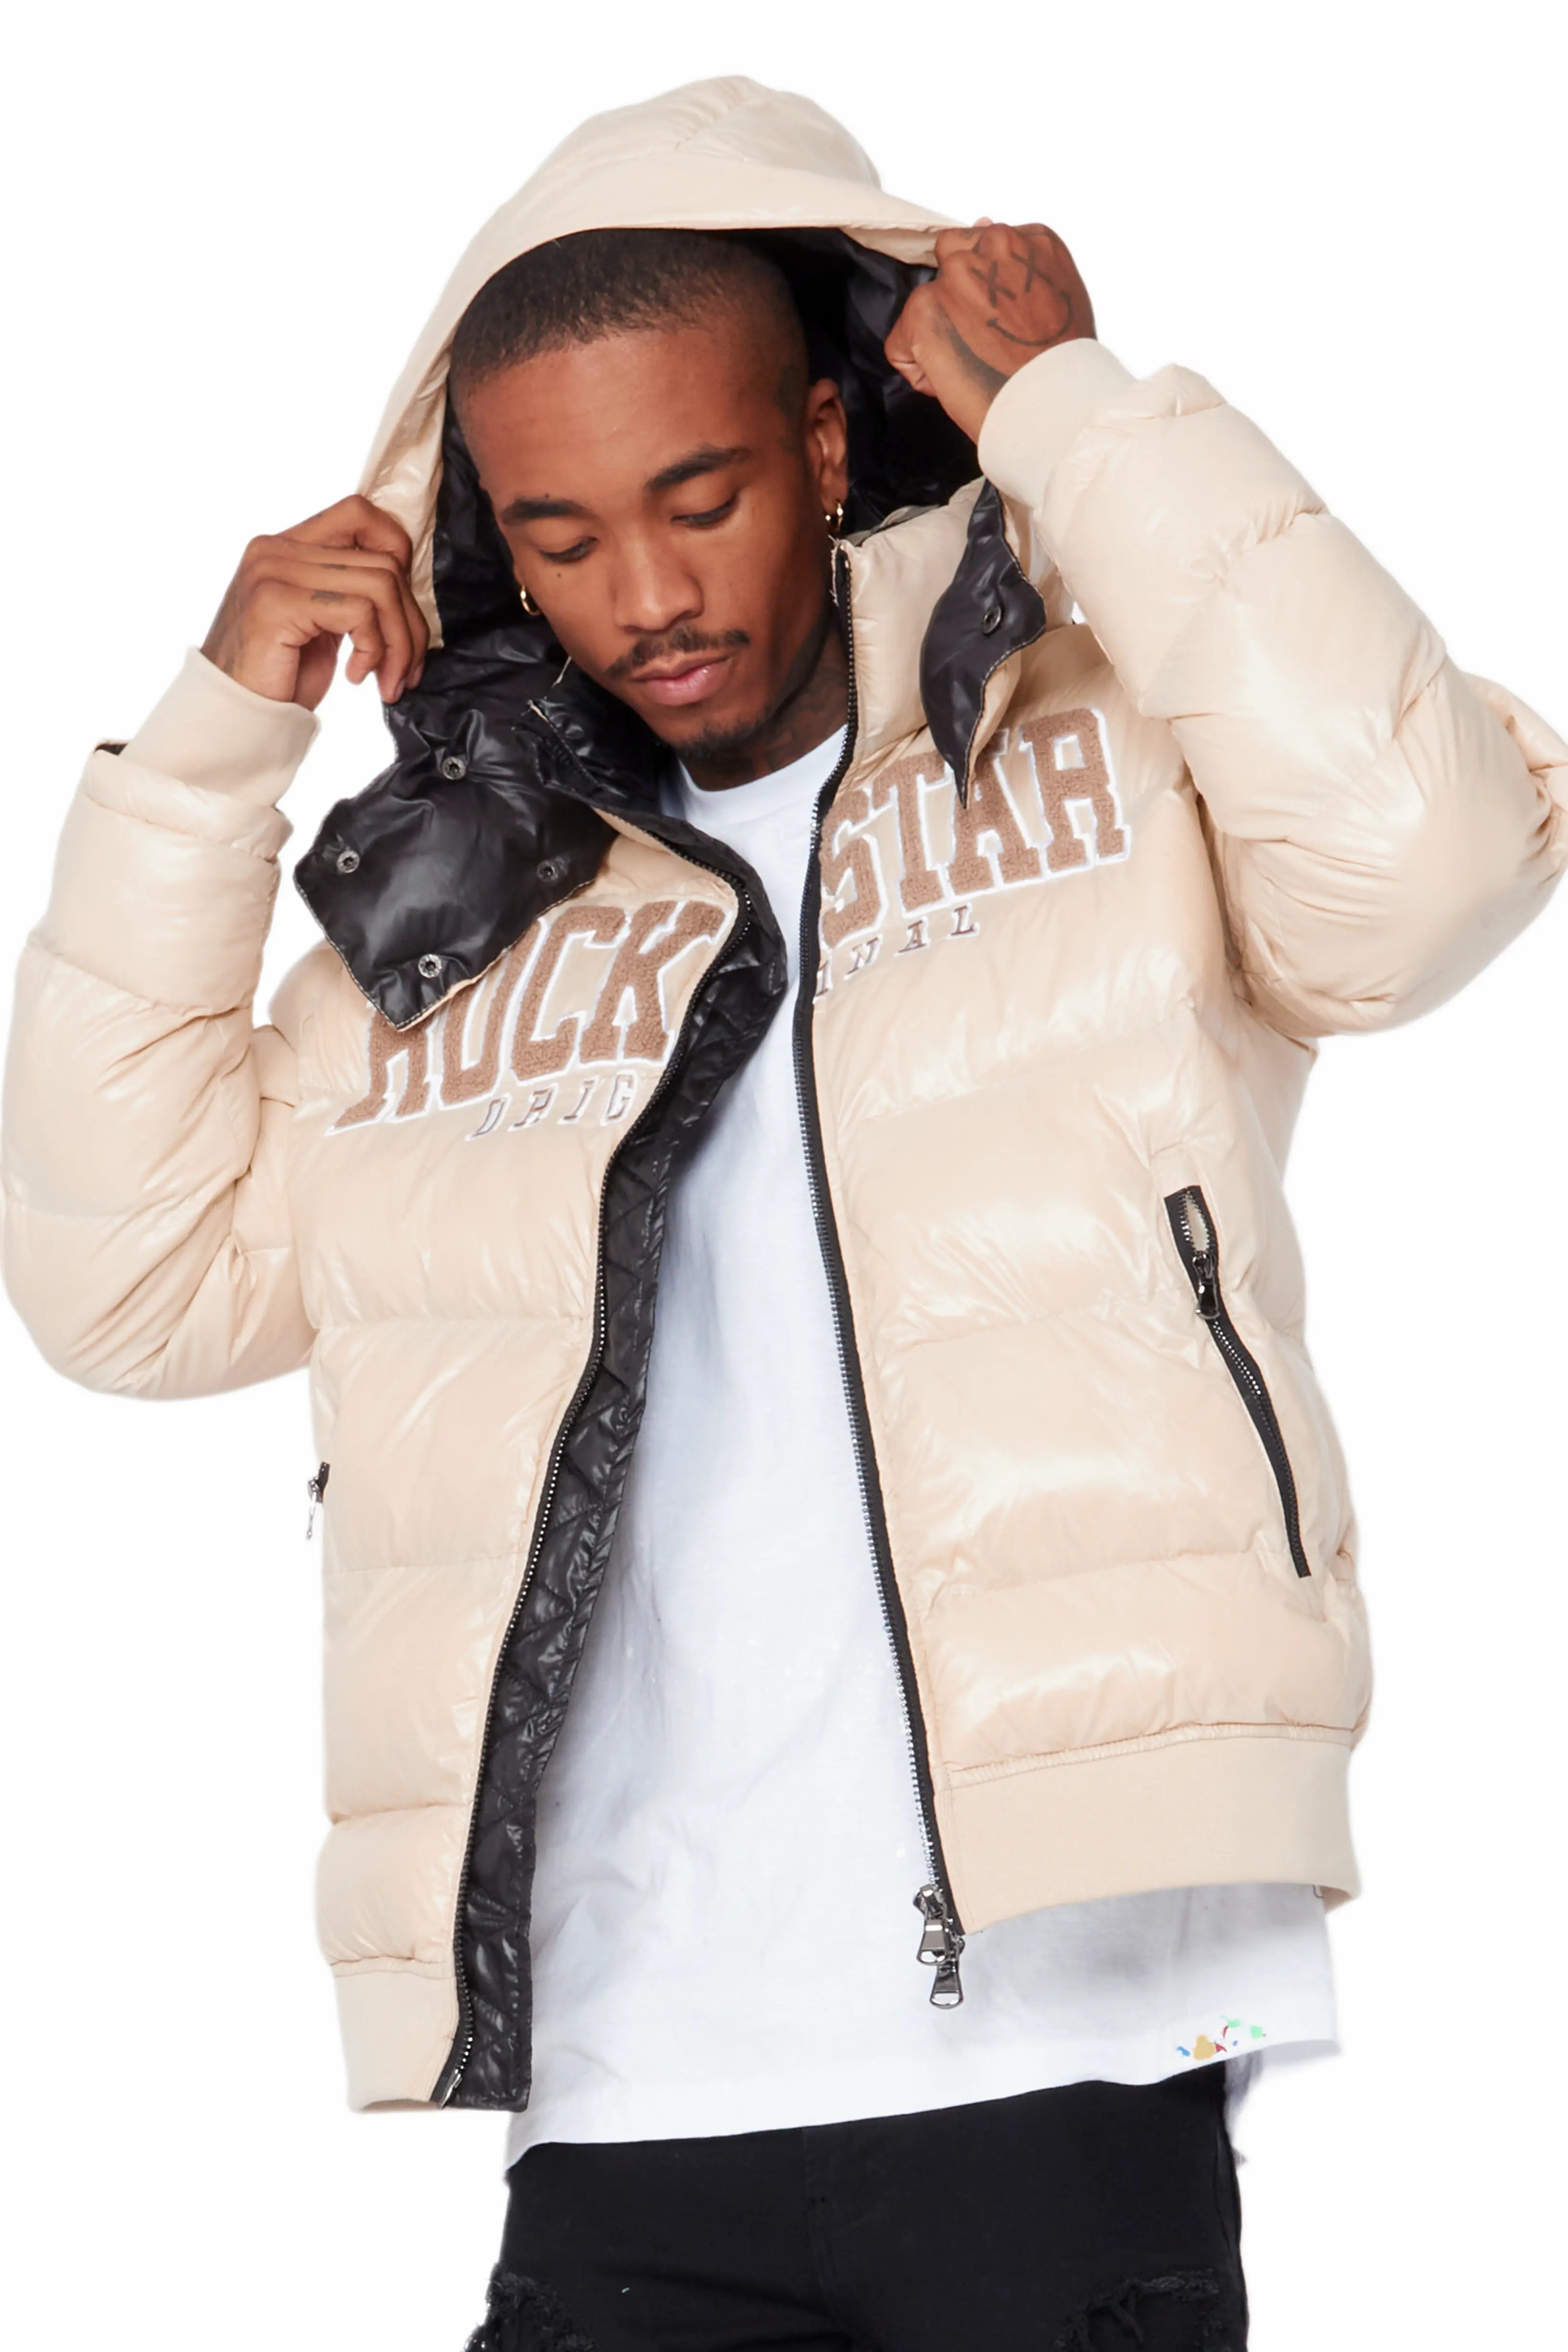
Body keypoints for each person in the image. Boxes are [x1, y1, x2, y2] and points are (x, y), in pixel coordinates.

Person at [4, 74, 1565, 2352]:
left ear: (825, 440)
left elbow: (1425, 867)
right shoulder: (471, 909)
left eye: (698, 497)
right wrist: (213, 739)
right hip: (624, 2080)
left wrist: (1076, 412)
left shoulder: (1102, 743)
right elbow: (120, 1283)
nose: (641, 597)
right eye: (558, 536)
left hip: (1072, 2037)